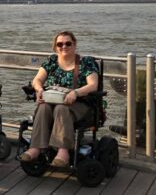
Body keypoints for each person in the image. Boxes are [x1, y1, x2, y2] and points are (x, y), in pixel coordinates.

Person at [18, 31, 99, 168]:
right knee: (43, 107)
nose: (64, 47)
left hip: (79, 103)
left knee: (62, 108)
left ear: (74, 44)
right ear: (55, 47)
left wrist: (76, 92)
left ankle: (63, 151)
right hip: (52, 101)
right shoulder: (51, 61)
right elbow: (37, 80)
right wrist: (39, 90)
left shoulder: (86, 62)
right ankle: (36, 147)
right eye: (60, 44)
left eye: (68, 43)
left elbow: (93, 85)